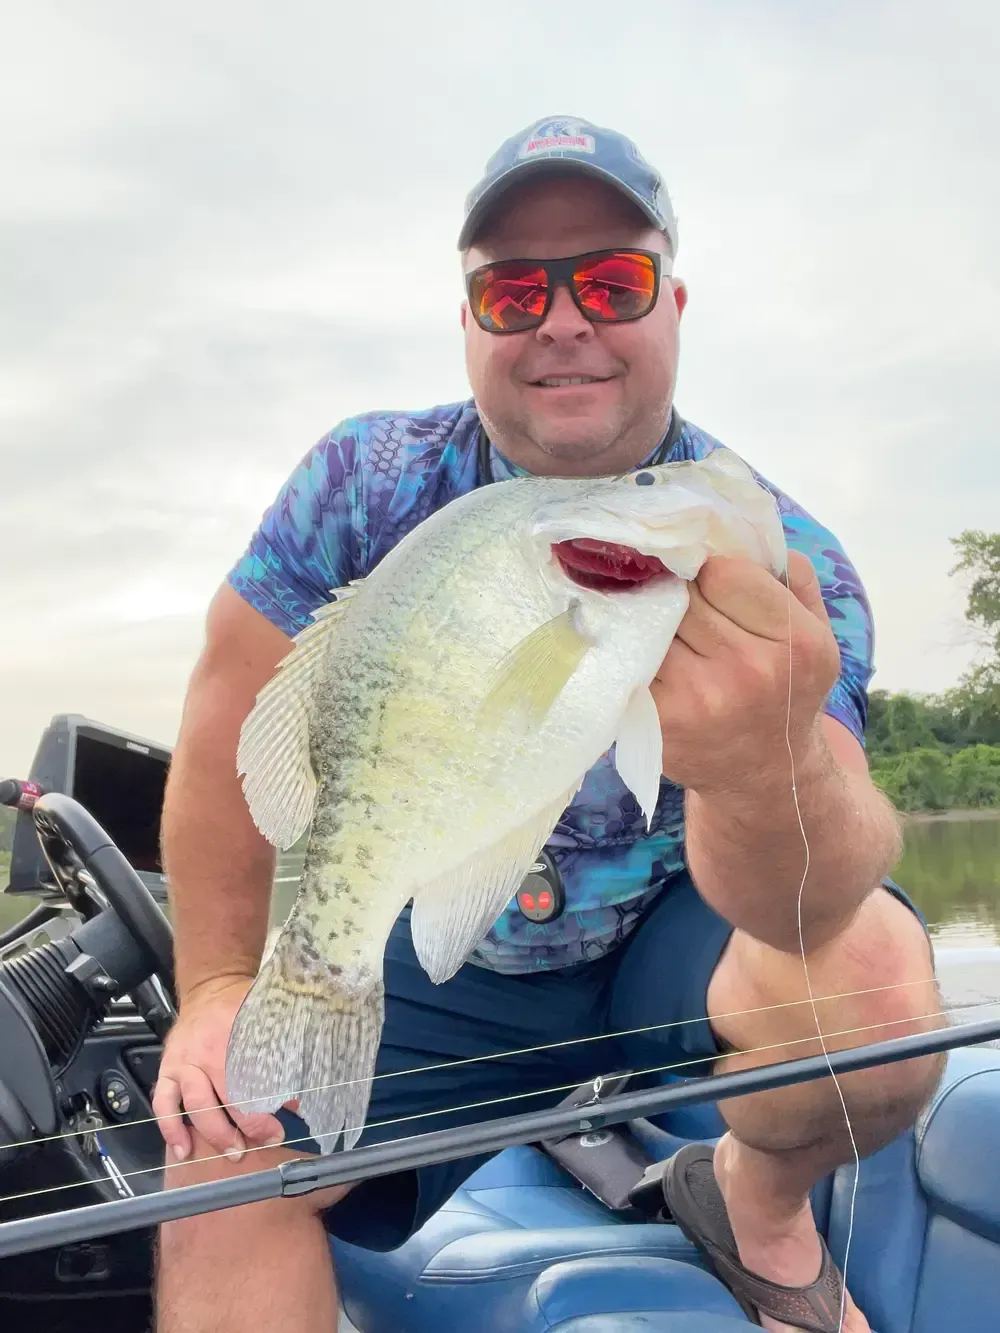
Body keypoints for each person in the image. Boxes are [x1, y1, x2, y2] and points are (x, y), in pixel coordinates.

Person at [152, 116, 943, 1333]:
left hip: (680, 940)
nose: (562, 319)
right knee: (223, 1148)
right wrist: (214, 983)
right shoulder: (365, 485)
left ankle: (758, 1199)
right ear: (467, 320)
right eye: (513, 289)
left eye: (610, 280)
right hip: (437, 929)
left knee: (879, 985)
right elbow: (224, 728)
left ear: (673, 302)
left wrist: (760, 762)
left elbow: (812, 898)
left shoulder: (766, 547)